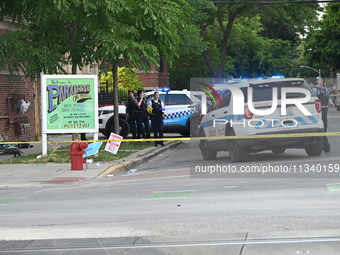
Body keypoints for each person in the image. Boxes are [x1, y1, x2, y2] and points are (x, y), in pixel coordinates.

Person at [312, 77, 335, 152]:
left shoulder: (325, 89)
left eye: (319, 80)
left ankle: (325, 146)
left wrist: (331, 103)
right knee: (322, 128)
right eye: (317, 80)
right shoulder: (314, 89)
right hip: (318, 111)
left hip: (324, 110)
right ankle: (325, 146)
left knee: (324, 128)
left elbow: (328, 97)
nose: (318, 81)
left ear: (321, 81)